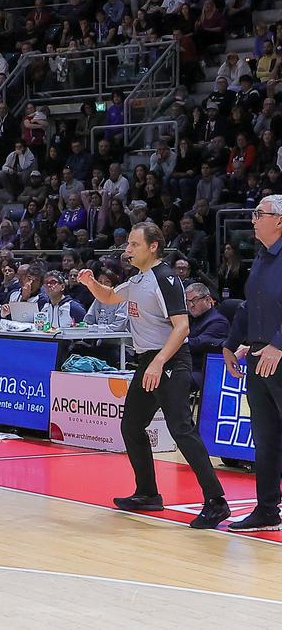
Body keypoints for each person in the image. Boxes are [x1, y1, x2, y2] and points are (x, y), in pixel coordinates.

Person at [78, 223, 230, 529]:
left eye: (134, 245)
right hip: (149, 360)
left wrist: (160, 362)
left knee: (181, 430)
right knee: (132, 426)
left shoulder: (166, 279)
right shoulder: (138, 279)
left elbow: (183, 327)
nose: (127, 250)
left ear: (153, 247)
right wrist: (90, 282)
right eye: (128, 245)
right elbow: (109, 297)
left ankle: (216, 502)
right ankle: (148, 493)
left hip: (171, 360)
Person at [222, 195, 282, 531]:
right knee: (266, 436)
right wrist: (232, 343)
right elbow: (249, 306)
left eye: (260, 213)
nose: (253, 218)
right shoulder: (261, 257)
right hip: (259, 359)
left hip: (278, 356)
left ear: (280, 220)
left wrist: (278, 345)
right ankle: (267, 510)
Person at [186, 282, 231, 390]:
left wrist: (174, 341)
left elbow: (200, 343)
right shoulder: (190, 319)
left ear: (207, 299)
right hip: (186, 365)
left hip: (204, 369)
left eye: (194, 300)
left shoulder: (219, 321)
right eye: (187, 301)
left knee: (172, 380)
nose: (191, 305)